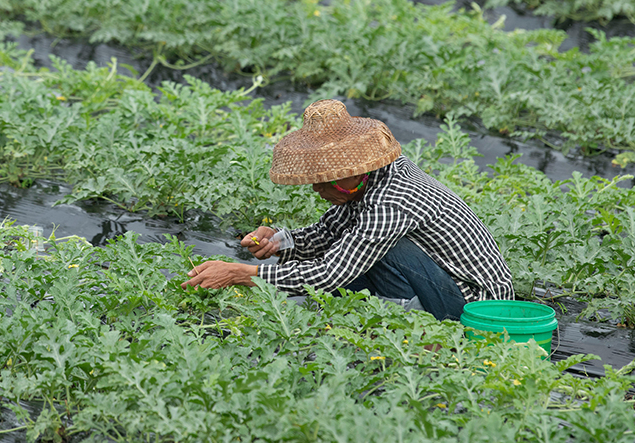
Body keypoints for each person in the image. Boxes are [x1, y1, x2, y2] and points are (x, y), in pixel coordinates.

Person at [182, 99, 513, 321]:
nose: (317, 188)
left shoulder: (391, 199)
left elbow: (331, 272)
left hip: (478, 306)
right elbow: (330, 232)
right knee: (352, 249)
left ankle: (416, 326)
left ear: (357, 168)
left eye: (326, 180)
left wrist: (243, 274)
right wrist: (280, 243)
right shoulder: (370, 180)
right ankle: (394, 315)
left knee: (373, 255)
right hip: (444, 283)